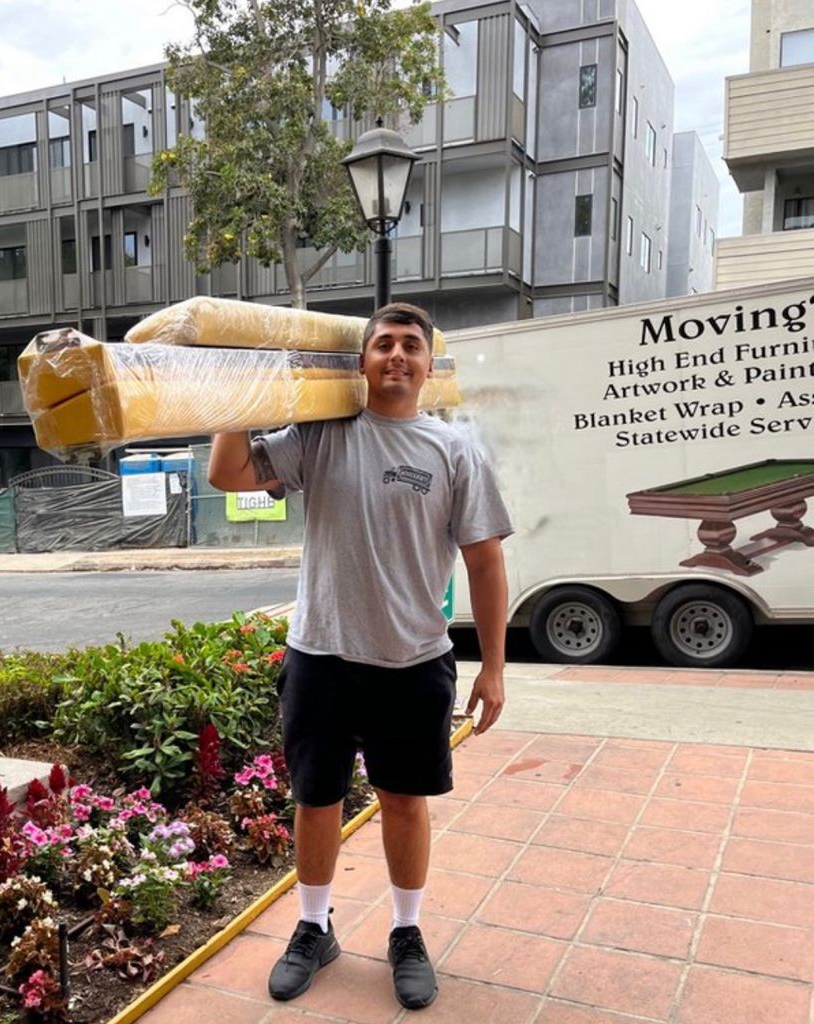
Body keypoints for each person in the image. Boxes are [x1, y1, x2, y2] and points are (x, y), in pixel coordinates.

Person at [207, 302, 511, 1010]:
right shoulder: (321, 434)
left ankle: (406, 932)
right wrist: (235, 395)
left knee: (404, 801)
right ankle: (314, 928)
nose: (397, 355)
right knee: (316, 798)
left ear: (428, 365)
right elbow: (227, 473)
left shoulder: (455, 451)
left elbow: (486, 562)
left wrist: (494, 667)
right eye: (383, 345)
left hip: (413, 660)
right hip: (322, 655)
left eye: (411, 345)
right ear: (364, 361)